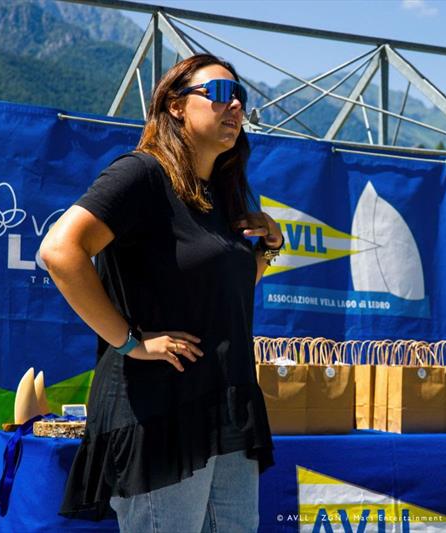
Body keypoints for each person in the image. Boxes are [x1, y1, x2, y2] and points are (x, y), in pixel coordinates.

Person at [40, 53, 282, 532]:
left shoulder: (223, 193)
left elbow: (225, 291)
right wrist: (130, 340)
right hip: (159, 411)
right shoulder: (142, 174)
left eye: (240, 97)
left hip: (227, 406)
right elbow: (59, 250)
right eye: (216, 93)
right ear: (175, 105)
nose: (233, 104)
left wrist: (269, 247)